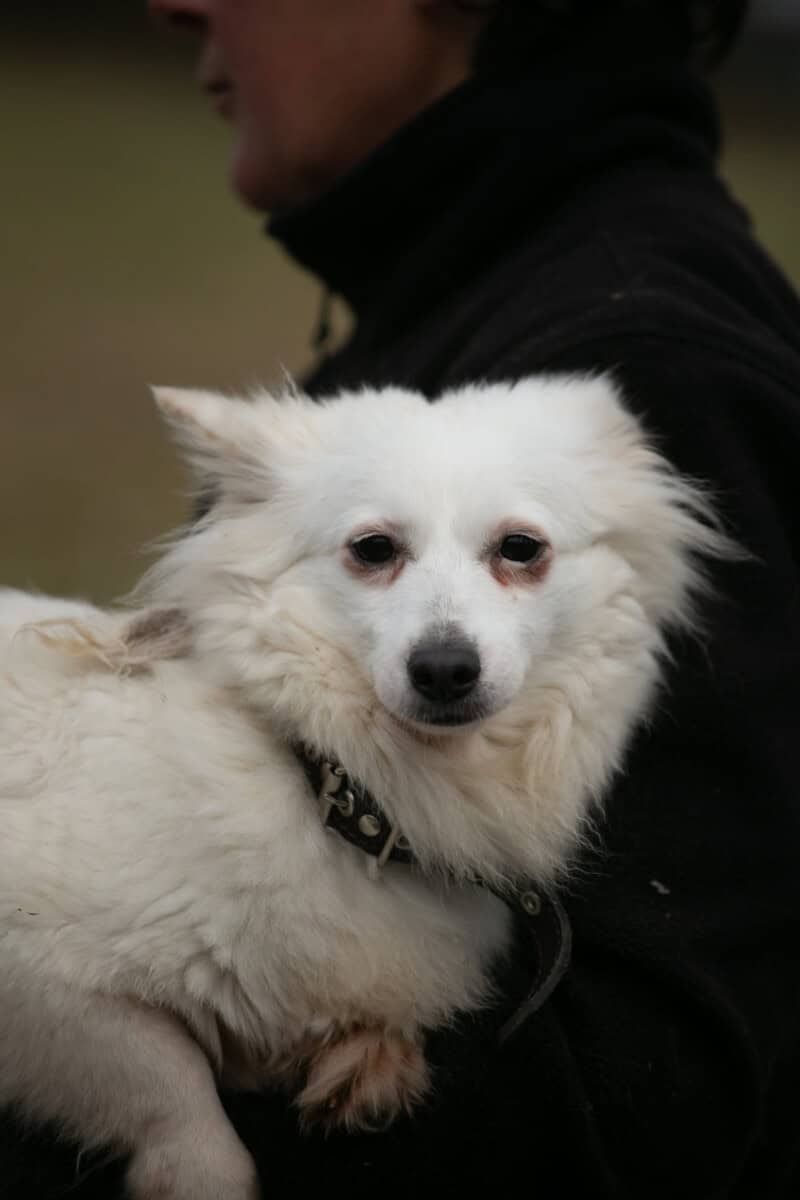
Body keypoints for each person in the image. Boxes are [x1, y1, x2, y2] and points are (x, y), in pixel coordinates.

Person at [5, 2, 799, 1196]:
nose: (171, 3)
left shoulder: (654, 364)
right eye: (375, 550)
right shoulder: (481, 286)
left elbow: (630, 1100)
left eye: (517, 551)